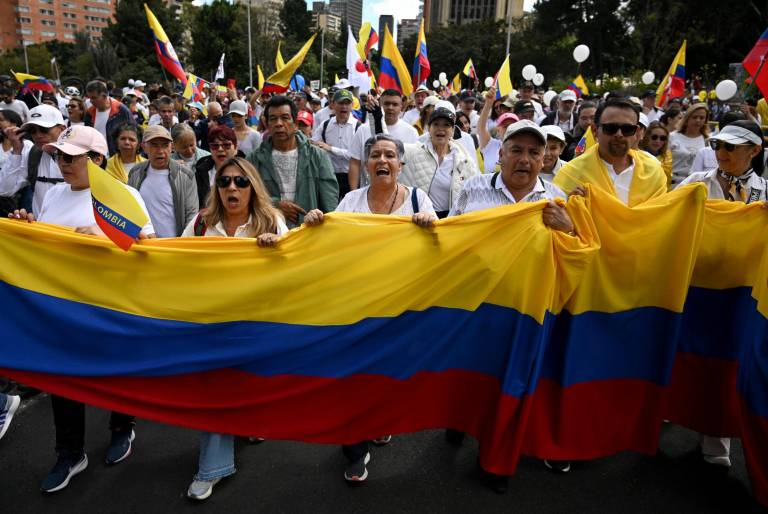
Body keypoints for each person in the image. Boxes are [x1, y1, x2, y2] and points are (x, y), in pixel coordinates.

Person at [8, 126, 155, 493]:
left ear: (97, 160)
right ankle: (70, 452)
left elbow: (148, 247)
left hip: (109, 306)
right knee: (64, 378)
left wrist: (104, 241)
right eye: (59, 155)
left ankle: (122, 428)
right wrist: (27, 231)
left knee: (115, 373)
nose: (62, 163)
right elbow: (45, 247)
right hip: (63, 309)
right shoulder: (54, 194)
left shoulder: (124, 195)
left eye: (71, 157)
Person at [448, 120, 576, 492]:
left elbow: (576, 258)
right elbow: (449, 240)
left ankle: (496, 462)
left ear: (546, 158)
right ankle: (459, 420)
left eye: (534, 153)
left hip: (525, 314)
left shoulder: (556, 199)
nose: (525, 159)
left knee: (511, 385)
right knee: (469, 376)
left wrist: (567, 229)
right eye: (516, 150)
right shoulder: (473, 189)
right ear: (499, 154)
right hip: (475, 307)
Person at [302, 134, 437, 484]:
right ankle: (355, 449)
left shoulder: (420, 201)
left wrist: (430, 228)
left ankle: (379, 423)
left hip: (400, 311)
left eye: (390, 155)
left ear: (400, 165)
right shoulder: (350, 201)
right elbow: (330, 243)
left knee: (386, 375)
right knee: (352, 380)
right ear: (367, 164)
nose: (382, 160)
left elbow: (441, 248)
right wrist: (317, 223)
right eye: (375, 154)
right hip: (355, 309)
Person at [182, 157, 287, 499]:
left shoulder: (271, 220)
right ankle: (211, 467)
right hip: (212, 323)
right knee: (216, 390)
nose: (232, 188)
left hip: (257, 324)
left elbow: (294, 272)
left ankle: (250, 421)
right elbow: (177, 263)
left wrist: (277, 253)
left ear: (252, 187)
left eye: (241, 182)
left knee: (248, 381)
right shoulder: (200, 223)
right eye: (225, 182)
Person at [676, 120, 767, 470]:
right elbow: (660, 215)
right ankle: (699, 424)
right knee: (696, 357)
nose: (721, 153)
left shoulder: (765, 191)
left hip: (745, 293)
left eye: (730, 147)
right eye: (717, 145)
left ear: (754, 151)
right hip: (698, 288)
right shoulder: (697, 184)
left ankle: (718, 435)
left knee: (731, 361)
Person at [554, 98, 667, 206]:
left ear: (637, 133)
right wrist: (570, 208)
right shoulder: (571, 173)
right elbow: (554, 218)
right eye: (611, 128)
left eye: (627, 129)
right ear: (594, 131)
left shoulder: (653, 171)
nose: (619, 134)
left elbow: (659, 217)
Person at [247, 95, 338, 228]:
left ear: (295, 124)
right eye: (273, 119)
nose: (279, 123)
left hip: (308, 234)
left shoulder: (317, 156)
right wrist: (276, 205)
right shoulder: (254, 159)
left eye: (285, 118)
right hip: (268, 234)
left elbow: (330, 203)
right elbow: (246, 197)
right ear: (267, 124)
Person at [400, 101, 479, 218]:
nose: (440, 129)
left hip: (450, 223)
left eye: (446, 125)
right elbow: (385, 144)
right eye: (436, 124)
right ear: (429, 129)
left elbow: (473, 197)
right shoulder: (411, 152)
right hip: (417, 219)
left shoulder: (465, 161)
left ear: (453, 130)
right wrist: (375, 118)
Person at [128, 125, 199, 237]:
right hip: (143, 245)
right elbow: (129, 208)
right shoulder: (135, 173)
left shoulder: (186, 176)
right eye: (154, 145)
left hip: (173, 247)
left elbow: (191, 215)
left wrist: (184, 244)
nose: (160, 151)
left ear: (172, 147)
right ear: (144, 147)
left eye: (165, 145)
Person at [0, 104, 66, 215]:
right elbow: (5, 190)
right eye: (32, 131)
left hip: (74, 230)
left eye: (44, 129)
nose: (38, 135)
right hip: (40, 227)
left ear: (62, 129)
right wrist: (17, 149)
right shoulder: (31, 154)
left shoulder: (79, 154)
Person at [349, 89, 419, 189]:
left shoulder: (411, 132)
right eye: (386, 104)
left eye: (395, 104)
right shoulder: (363, 130)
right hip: (368, 193)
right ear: (380, 105)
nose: (390, 108)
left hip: (400, 194)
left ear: (401, 107)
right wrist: (353, 192)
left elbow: (413, 166)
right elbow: (355, 162)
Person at [311, 89, 363, 199]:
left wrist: (330, 149)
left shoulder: (359, 127)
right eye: (340, 103)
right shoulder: (325, 125)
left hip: (351, 177)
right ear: (333, 104)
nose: (344, 106)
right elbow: (314, 143)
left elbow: (355, 156)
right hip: (330, 175)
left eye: (347, 103)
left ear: (352, 105)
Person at [194, 125, 242, 209]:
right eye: (215, 146)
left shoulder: (246, 171)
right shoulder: (200, 171)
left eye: (226, 145)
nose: (220, 149)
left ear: (235, 147)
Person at [83, 80, 134, 156]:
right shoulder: (89, 113)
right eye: (90, 98)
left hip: (117, 158)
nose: (91, 101)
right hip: (97, 158)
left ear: (104, 96)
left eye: (94, 98)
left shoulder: (122, 111)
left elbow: (133, 134)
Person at [477, 86, 519, 173]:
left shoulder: (524, 150)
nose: (510, 129)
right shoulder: (491, 146)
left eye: (513, 125)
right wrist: (488, 103)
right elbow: (481, 127)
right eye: (506, 126)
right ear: (498, 129)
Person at [669, 103, 710, 185]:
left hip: (695, 185)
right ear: (687, 118)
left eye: (702, 118)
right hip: (673, 184)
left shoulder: (707, 140)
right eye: (695, 117)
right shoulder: (672, 136)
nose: (698, 120)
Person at [639, 121, 673, 187]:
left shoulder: (667, 156)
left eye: (662, 138)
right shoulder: (637, 153)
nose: (658, 141)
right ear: (647, 137)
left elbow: (667, 181)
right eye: (654, 137)